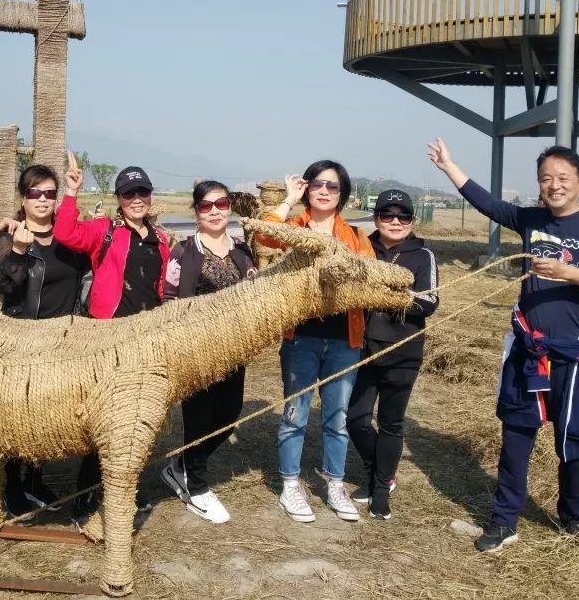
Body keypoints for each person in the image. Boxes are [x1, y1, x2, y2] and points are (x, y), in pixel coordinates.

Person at [427, 138, 579, 551]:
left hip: (574, 354)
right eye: (546, 178)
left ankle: (572, 518)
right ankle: (504, 522)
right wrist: (450, 166)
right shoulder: (531, 219)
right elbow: (487, 203)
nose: (554, 185)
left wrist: (566, 272)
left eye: (562, 178)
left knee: (573, 441)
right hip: (529, 351)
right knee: (516, 436)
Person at [54, 153, 171, 518]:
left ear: (150, 196)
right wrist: (71, 193)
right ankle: (86, 496)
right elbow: (64, 232)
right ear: (119, 198)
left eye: (142, 192)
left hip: (148, 339)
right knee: (107, 419)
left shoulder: (161, 239)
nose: (136, 199)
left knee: (138, 420)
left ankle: (124, 493)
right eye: (128, 193)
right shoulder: (105, 230)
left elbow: (163, 287)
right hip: (109, 338)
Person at [257, 160, 373, 524]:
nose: (324, 191)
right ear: (307, 188)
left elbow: (369, 276)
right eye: (317, 184)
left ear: (343, 194)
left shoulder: (354, 236)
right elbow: (263, 234)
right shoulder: (295, 227)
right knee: (294, 415)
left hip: (344, 340)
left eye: (333, 186)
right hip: (302, 339)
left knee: (336, 418)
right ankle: (290, 484)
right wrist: (288, 200)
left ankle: (334, 484)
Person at [0, 163, 90, 517]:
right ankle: (13, 487)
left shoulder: (67, 236)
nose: (43, 200)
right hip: (23, 338)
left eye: (50, 193)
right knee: (18, 414)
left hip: (62, 339)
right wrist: (17, 251)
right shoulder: (10, 235)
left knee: (45, 414)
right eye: (35, 193)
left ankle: (34, 480)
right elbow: (1, 286)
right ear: (24, 197)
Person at [159, 180, 257, 524]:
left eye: (221, 203)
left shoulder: (244, 251)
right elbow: (169, 300)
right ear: (196, 211)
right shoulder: (184, 253)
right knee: (199, 420)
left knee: (228, 418)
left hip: (235, 351)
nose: (215, 211)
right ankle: (196, 488)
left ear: (230, 206)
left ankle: (181, 467)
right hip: (196, 353)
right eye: (206, 206)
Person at [346, 190, 439, 520]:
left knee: (391, 422)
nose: (395, 222)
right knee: (355, 419)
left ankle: (381, 487)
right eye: (387, 215)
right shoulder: (362, 249)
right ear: (376, 219)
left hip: (403, 351)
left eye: (403, 217)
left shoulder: (422, 255)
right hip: (364, 350)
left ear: (412, 221)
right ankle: (378, 470)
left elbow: (429, 303)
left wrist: (389, 293)